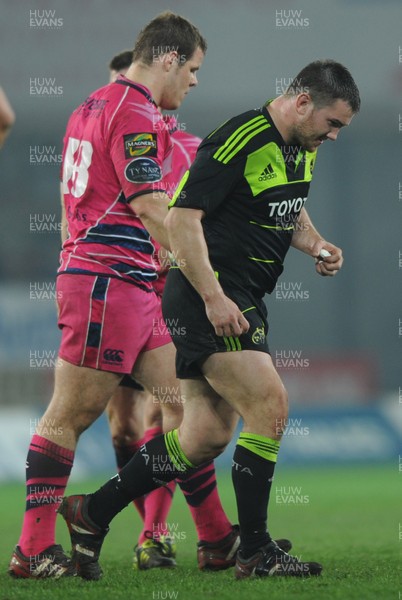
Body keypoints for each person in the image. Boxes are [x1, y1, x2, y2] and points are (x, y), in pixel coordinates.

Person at [56, 59, 360, 580]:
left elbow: (287, 207)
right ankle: (255, 550)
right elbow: (181, 218)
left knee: (203, 437)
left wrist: (315, 244)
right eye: (332, 124)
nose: (333, 136)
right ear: (303, 102)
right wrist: (215, 297)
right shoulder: (239, 137)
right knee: (270, 404)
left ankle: (91, 513)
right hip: (210, 298)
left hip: (239, 298)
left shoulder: (299, 147)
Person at [8, 11, 207, 580]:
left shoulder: (90, 105)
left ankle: (113, 516)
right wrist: (204, 274)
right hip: (107, 283)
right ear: (168, 59)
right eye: (191, 69)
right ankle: (32, 549)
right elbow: (147, 204)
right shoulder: (135, 112)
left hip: (129, 283)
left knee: (193, 415)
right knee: (71, 413)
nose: (193, 81)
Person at [104, 49, 252, 571]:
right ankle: (195, 532)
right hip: (117, 292)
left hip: (170, 296)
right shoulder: (102, 140)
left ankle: (156, 535)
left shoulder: (191, 151)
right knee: (124, 427)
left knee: (170, 410)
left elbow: (211, 222)